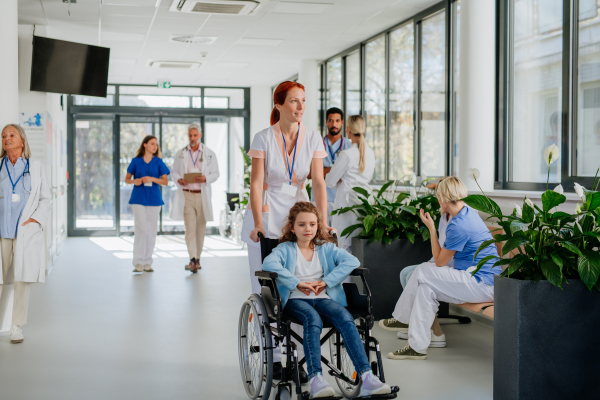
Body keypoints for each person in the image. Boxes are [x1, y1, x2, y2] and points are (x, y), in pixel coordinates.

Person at [241, 80, 331, 381]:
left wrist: (323, 221)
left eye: (303, 100)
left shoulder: (313, 137)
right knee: (267, 289)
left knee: (297, 286)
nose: (300, 107)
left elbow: (318, 182)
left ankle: (296, 358)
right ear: (278, 104)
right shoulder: (264, 137)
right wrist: (256, 223)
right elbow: (255, 183)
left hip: (297, 214)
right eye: (294, 101)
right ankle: (276, 357)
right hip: (266, 214)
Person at [262, 202, 393, 398]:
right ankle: (316, 380)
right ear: (292, 227)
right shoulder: (285, 249)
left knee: (345, 317)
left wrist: (326, 282)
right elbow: (268, 263)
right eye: (302, 224)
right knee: (312, 319)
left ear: (318, 226)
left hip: (322, 297)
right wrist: (297, 283)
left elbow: (352, 261)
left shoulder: (325, 248)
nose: (308, 229)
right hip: (296, 300)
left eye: (313, 224)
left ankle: (367, 377)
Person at [387, 177, 500, 360]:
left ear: (443, 197)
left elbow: (439, 262)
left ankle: (402, 318)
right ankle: (417, 347)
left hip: (482, 283)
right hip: (471, 278)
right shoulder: (464, 213)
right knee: (426, 288)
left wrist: (431, 229)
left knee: (423, 270)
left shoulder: (460, 224)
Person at [379, 177, 454, 346]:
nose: (437, 199)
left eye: (439, 195)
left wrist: (434, 262)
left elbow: (454, 253)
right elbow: (442, 246)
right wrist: (431, 261)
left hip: (453, 266)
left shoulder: (459, 218)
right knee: (406, 273)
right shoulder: (445, 217)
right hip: (442, 261)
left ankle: (436, 332)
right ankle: (420, 326)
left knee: (417, 276)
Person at [0, 124, 51, 344]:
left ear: (22, 139)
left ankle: (15, 326)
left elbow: (45, 199)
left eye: (11, 135)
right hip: (2, 232)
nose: (7, 139)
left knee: (22, 280)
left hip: (23, 232)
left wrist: (35, 220)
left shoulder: (36, 166)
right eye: (3, 136)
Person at [170, 123, 219, 273]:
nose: (192, 138)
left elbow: (216, 173)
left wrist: (205, 178)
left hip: (202, 195)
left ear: (200, 135)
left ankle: (198, 258)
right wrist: (179, 179)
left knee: (200, 229)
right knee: (190, 229)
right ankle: (192, 259)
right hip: (187, 195)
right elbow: (174, 172)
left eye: (195, 135)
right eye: (190, 135)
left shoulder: (209, 154)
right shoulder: (181, 153)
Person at [325, 115, 375, 254]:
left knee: (343, 250)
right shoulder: (370, 153)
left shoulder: (347, 154)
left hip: (345, 207)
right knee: (360, 252)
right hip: (364, 206)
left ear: (348, 130)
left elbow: (329, 181)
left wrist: (341, 180)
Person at [125, 135, 169, 273]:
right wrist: (134, 181)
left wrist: (152, 179)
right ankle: (138, 262)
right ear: (144, 145)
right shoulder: (135, 161)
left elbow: (165, 181)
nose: (155, 147)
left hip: (154, 199)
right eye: (152, 144)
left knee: (151, 232)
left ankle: (147, 262)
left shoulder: (159, 162)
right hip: (138, 198)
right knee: (141, 229)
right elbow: (127, 179)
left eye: (156, 144)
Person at [310, 107, 352, 224]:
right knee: (319, 236)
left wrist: (321, 171)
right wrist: (335, 171)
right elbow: (309, 173)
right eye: (331, 120)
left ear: (342, 122)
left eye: (337, 121)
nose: (334, 124)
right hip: (318, 199)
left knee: (338, 238)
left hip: (341, 200)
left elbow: (350, 174)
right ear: (326, 122)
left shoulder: (349, 146)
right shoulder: (316, 144)